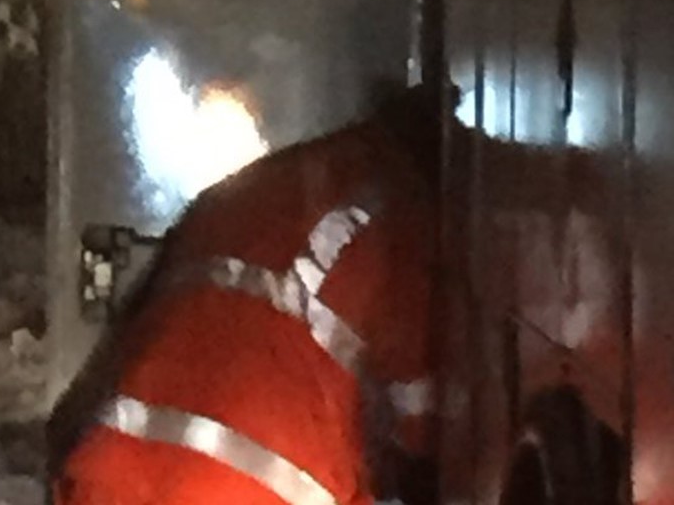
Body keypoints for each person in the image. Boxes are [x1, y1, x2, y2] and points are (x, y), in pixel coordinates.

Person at [48, 85, 442, 505]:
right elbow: (428, 423)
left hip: (107, 471)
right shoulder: (399, 222)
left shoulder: (266, 184)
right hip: (245, 491)